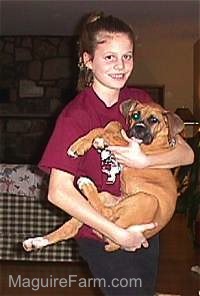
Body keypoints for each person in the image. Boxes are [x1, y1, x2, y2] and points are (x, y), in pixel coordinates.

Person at [39, 12, 194, 296]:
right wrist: (118, 234)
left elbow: (186, 154)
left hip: (145, 225)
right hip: (101, 234)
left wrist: (145, 160)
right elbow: (57, 192)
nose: (121, 66)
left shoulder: (139, 102)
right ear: (88, 60)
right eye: (110, 57)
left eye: (127, 56)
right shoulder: (76, 115)